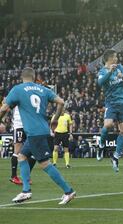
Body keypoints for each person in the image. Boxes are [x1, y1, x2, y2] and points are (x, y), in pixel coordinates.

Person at [0, 67, 75, 204]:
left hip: (35, 133)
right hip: (41, 130)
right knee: (22, 156)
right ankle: (26, 191)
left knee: (45, 163)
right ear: (34, 77)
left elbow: (4, 108)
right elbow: (61, 102)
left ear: (22, 77)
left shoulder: (18, 89)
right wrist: (55, 118)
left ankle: (68, 191)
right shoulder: (43, 89)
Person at [97, 49, 123, 172]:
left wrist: (122, 76)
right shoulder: (102, 71)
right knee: (108, 125)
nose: (117, 59)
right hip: (111, 102)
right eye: (115, 57)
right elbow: (100, 82)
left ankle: (116, 157)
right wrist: (110, 72)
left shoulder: (120, 67)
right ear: (109, 58)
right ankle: (101, 145)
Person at [9, 106, 36, 185]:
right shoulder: (16, 94)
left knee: (33, 152)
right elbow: (6, 104)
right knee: (17, 151)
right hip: (19, 125)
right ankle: (13, 176)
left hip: (29, 125)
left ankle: (26, 177)